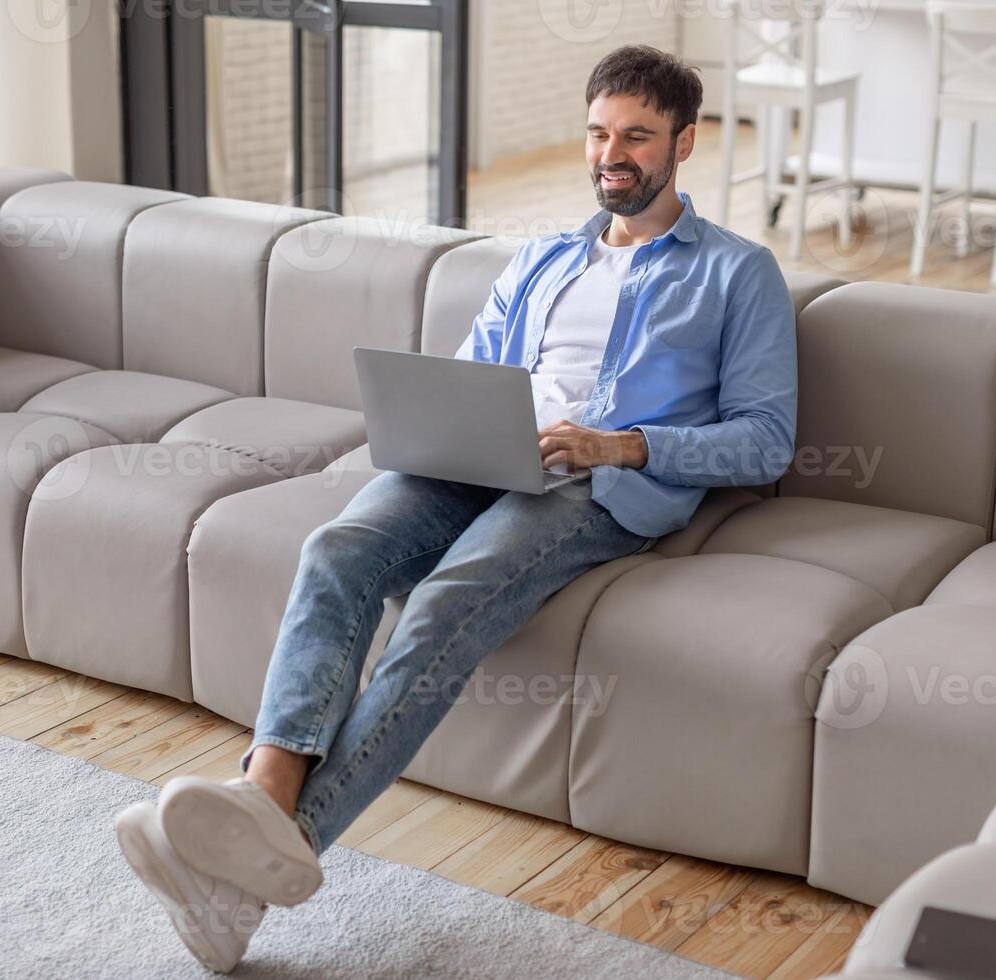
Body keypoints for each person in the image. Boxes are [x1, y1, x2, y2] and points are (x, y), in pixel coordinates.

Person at [114, 43, 798, 973]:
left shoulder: (736, 273)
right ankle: (263, 801)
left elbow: (766, 439)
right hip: (481, 456)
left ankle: (269, 849)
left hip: (602, 486)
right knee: (337, 548)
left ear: (683, 144)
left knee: (443, 605)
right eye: (599, 133)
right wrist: (448, 418)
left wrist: (620, 444)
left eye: (637, 136)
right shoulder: (544, 257)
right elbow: (477, 369)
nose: (612, 154)